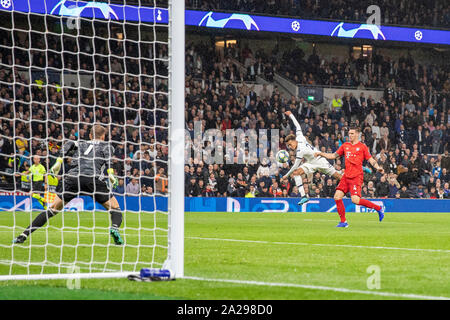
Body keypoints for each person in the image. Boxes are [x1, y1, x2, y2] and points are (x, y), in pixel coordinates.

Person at [13, 125, 124, 245]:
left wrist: (59, 161)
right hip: (93, 179)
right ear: (103, 136)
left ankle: (23, 235)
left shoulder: (80, 143)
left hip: (73, 178)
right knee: (115, 208)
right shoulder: (107, 146)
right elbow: (108, 159)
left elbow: (68, 144)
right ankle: (114, 227)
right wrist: (111, 174)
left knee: (53, 209)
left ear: (90, 135)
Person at [314, 126, 385, 228]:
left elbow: (370, 159)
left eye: (352, 133)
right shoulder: (345, 146)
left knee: (355, 200)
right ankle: (343, 222)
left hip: (356, 176)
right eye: (349, 133)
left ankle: (378, 208)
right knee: (337, 197)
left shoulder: (362, 147)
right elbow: (333, 156)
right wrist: (321, 153)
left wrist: (378, 167)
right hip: (346, 176)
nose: (350, 135)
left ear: (357, 134)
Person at [282, 111, 342, 206]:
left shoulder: (300, 150)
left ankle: (352, 185)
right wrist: (291, 115)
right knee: (296, 173)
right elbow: (297, 125)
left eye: (290, 144)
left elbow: (295, 165)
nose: (290, 146)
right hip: (310, 162)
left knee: (338, 177)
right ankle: (303, 196)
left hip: (319, 161)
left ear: (294, 141)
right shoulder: (300, 137)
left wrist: (286, 175)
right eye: (288, 145)